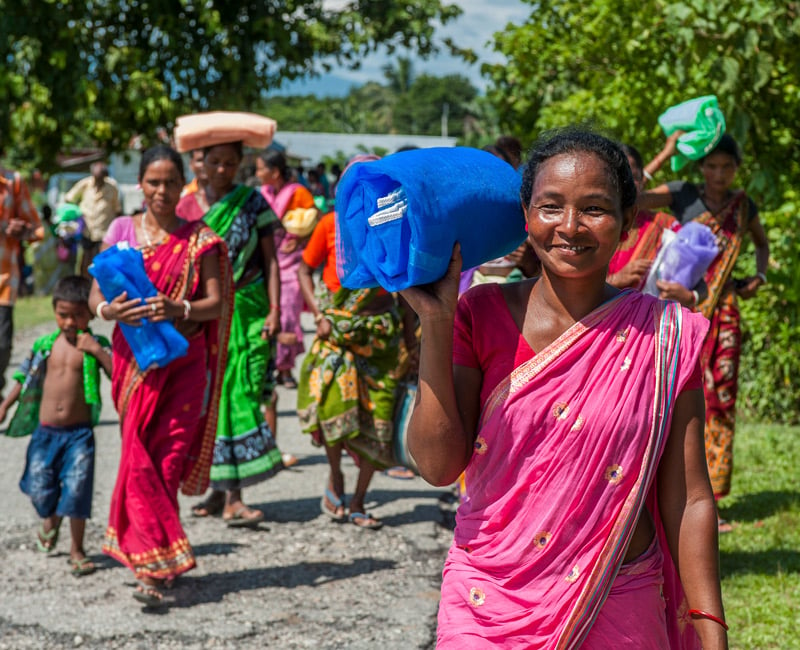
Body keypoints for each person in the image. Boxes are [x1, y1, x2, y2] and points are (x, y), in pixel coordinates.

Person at [401, 129, 727, 648]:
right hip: (489, 599)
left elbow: (689, 500)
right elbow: (439, 467)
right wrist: (435, 324)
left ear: (626, 224)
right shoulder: (478, 314)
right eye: (550, 207)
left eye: (595, 208)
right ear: (525, 217)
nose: (570, 227)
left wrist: (711, 630)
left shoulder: (666, 336)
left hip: (618, 598)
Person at [88, 145, 232, 606]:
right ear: (141, 184)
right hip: (134, 364)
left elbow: (217, 304)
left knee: (166, 461)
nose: (162, 191)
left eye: (170, 182)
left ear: (182, 183)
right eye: (154, 182)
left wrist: (178, 307)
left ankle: (152, 562)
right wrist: (109, 309)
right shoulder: (122, 232)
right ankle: (155, 559)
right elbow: (96, 295)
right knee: (137, 455)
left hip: (184, 365)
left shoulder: (199, 239)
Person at [640, 133, 769, 526]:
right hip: (678, 312)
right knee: (675, 400)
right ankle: (667, 494)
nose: (718, 174)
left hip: (724, 312)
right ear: (700, 167)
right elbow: (626, 199)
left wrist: (759, 276)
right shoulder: (681, 194)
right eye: (711, 166)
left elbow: (761, 245)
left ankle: (709, 497)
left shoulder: (743, 207)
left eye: (726, 166)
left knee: (721, 398)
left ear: (736, 168)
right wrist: (664, 153)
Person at [297, 160, 417, 529]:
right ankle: (336, 478)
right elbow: (304, 269)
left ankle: (360, 500)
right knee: (334, 407)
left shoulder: (398, 225)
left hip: (381, 337)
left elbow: (407, 290)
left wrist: (413, 345)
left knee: (380, 415)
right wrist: (318, 314)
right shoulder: (328, 225)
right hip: (337, 333)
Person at [177, 140, 284, 527]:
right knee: (209, 400)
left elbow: (271, 261)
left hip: (250, 311)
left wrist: (275, 310)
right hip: (205, 317)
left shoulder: (253, 204)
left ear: (240, 165)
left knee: (241, 395)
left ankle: (236, 497)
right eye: (214, 161)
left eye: (229, 162)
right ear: (200, 163)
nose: (221, 169)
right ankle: (218, 489)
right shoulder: (185, 206)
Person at [0, 276, 111, 577]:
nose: (70, 322)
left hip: (79, 435)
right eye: (63, 314)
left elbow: (118, 374)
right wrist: (5, 405)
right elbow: (24, 378)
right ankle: (50, 518)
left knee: (77, 491)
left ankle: (77, 549)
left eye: (78, 314)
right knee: (38, 485)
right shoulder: (44, 345)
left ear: (90, 314)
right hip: (45, 432)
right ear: (54, 312)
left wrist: (97, 351)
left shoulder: (95, 345)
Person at [608, 141, 707, 308]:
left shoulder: (665, 228)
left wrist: (690, 297)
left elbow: (701, 286)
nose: (628, 185)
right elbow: (570, 287)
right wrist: (614, 281)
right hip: (597, 328)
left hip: (650, 330)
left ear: (641, 180)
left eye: (635, 177)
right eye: (619, 178)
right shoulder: (588, 228)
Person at [256, 150, 318, 390]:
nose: (258, 173)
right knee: (270, 312)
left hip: (291, 263)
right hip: (268, 260)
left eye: (261, 168)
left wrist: (301, 241)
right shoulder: (261, 195)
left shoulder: (298, 193)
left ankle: (286, 367)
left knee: (289, 315)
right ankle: (273, 363)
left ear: (275, 172)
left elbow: (316, 221)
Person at [0, 161, 44, 396]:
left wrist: (22, 230)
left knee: (3, 345)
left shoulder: (12, 182)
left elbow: (36, 230)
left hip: (5, 279)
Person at [64, 162, 122, 278]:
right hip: (87, 230)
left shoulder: (112, 187)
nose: (98, 181)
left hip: (104, 231)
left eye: (101, 178)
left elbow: (117, 209)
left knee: (102, 260)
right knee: (85, 260)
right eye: (96, 178)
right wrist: (77, 213)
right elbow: (69, 198)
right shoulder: (85, 184)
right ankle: (84, 283)